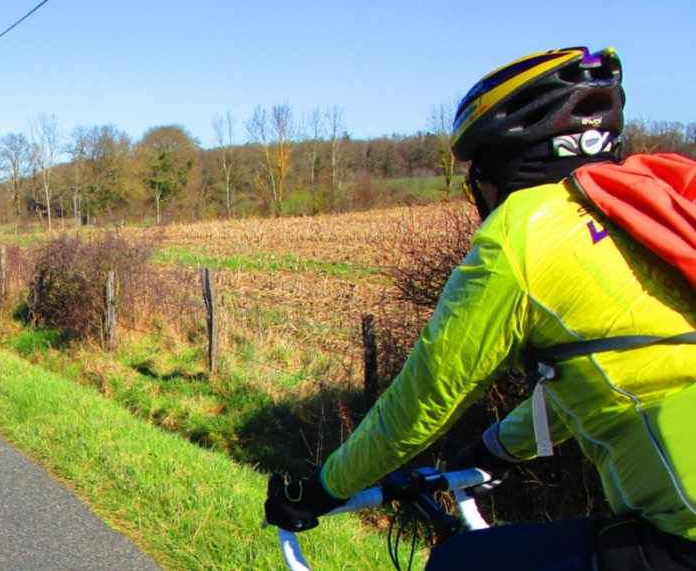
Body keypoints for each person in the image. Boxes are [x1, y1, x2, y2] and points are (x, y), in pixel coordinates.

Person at [264, 47, 696, 570]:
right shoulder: (649, 211)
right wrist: (498, 447)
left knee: (458, 564)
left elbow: (423, 400)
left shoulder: (525, 231)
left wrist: (320, 491)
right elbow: (603, 374)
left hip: (682, 528)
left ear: (497, 169)